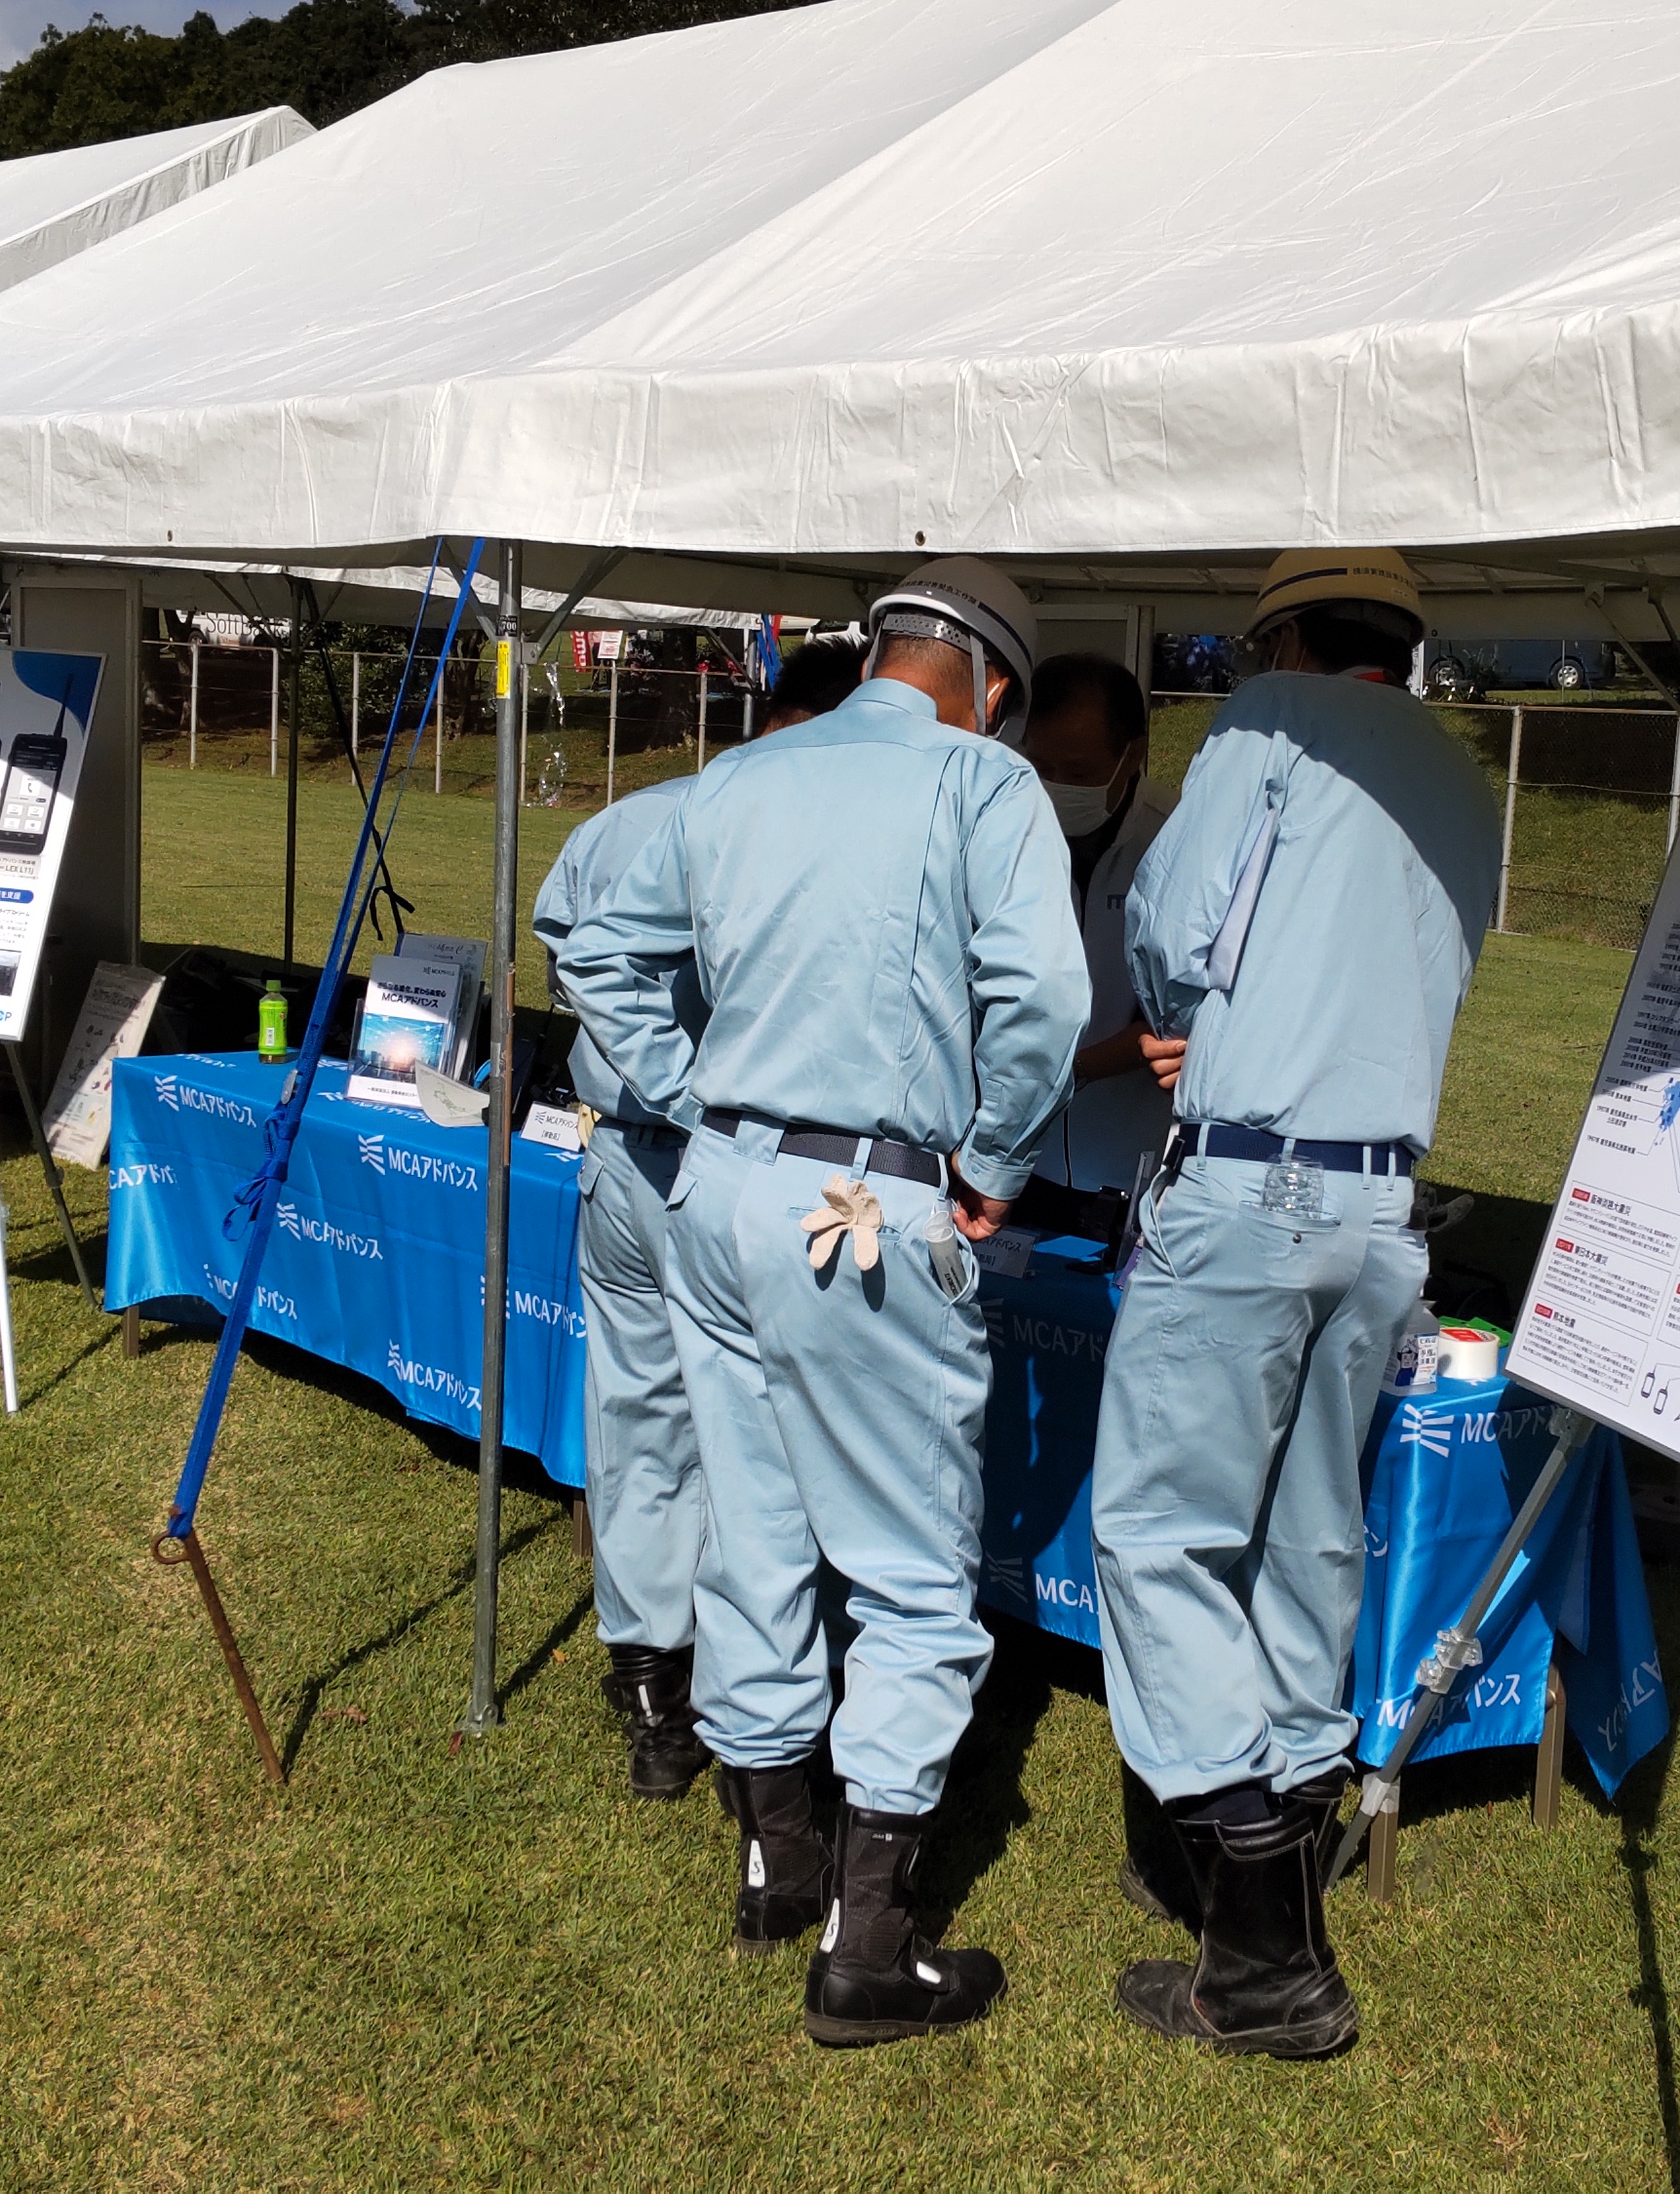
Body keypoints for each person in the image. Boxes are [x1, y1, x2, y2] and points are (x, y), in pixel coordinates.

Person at [558, 560, 1085, 2047]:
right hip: (859, 1203)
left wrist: (674, 1087)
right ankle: (871, 1944)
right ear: (990, 682)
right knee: (916, 1568)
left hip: (715, 1192)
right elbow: (1040, 1001)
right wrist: (991, 1164)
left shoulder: (737, 777)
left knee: (758, 1520)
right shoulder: (984, 785)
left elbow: (592, 934)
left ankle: (774, 1859)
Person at [1090, 547, 1500, 2058]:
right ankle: (1267, 1864)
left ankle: (1265, 1943)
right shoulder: (1463, 778)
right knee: (1309, 1527)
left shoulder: (1269, 723)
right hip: (1382, 1201)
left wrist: (1199, 1009)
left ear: (1286, 637)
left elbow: (1174, 941)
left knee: (1161, 1531)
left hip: (1252, 1185)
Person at [532, 633, 867, 1803]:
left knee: (639, 1420)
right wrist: (691, 1087)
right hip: (712, 1164)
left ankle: (648, 1685)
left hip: (619, 1153)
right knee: (754, 1442)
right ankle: (745, 1719)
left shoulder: (633, 815)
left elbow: (561, 945)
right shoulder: (797, 832)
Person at [1016, 653, 1174, 1214]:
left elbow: (1185, 1006)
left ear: (1131, 754)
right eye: (1041, 766)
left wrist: (1075, 1071)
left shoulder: (1176, 839)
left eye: (1078, 773)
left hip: (1128, 1152)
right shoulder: (1005, 825)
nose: (1056, 786)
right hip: (1012, 1151)